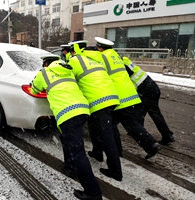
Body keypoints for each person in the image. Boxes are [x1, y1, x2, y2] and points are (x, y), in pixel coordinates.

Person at [30, 55, 103, 200]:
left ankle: (93, 192)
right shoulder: (68, 70)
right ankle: (69, 167)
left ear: (46, 63)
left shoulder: (44, 73)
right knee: (67, 139)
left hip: (67, 114)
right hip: (82, 110)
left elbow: (34, 90)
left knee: (78, 152)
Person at [93, 36, 161, 160]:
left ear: (100, 48)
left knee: (111, 124)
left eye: (98, 47)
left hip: (118, 96)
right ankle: (151, 144)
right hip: (129, 94)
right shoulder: (116, 56)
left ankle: (117, 151)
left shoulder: (102, 57)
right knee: (130, 123)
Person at [67, 40, 123, 181]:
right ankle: (97, 152)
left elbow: (67, 79)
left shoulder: (75, 61)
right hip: (110, 97)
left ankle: (116, 171)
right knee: (95, 128)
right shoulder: (95, 58)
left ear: (74, 51)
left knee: (107, 137)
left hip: (99, 101)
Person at [122, 56, 175, 145]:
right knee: (140, 110)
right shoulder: (125, 60)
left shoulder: (122, 67)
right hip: (151, 86)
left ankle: (167, 135)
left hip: (146, 90)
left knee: (154, 113)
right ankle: (139, 130)